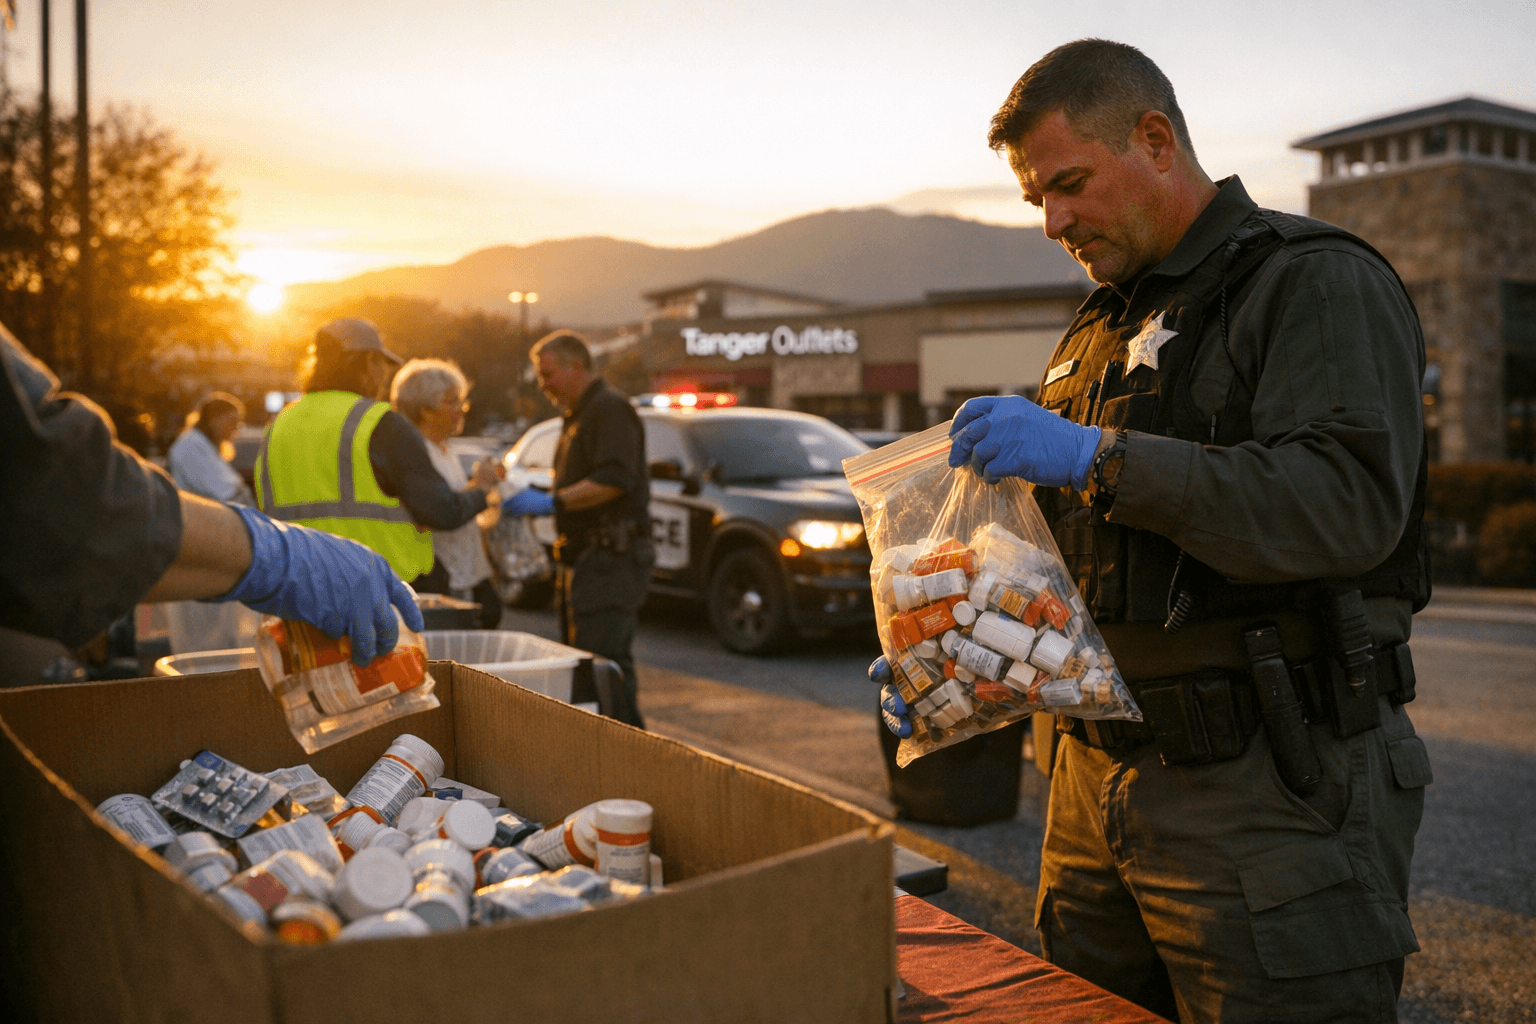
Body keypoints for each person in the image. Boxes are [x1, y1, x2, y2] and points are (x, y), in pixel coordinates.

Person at [873, 39, 1432, 1024]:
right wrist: (957, 644)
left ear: (1156, 141)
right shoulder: (1098, 328)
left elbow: (1345, 505)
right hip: (1090, 787)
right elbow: (1081, 563)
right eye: (1036, 198)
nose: (1053, 222)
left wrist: (1097, 457)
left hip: (1266, 792)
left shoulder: (1310, 281)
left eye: (1070, 185)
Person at [0, 321, 422, 671]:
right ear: (368, 364)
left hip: (213, 564)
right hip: (215, 560)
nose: (236, 429)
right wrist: (281, 556)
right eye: (231, 420)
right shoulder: (378, 420)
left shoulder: (284, 421)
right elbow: (63, 495)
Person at [253, 318, 499, 590]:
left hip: (301, 587)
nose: (383, 375)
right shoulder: (379, 423)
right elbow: (442, 512)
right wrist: (482, 489)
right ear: (369, 362)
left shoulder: (278, 426)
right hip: (382, 590)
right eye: (381, 364)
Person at [502, 331, 651, 727]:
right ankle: (609, 752)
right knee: (585, 666)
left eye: (548, 374)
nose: (542, 385)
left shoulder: (608, 409)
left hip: (610, 558)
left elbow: (614, 480)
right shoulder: (580, 414)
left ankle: (629, 753)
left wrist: (553, 502)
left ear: (577, 366)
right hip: (589, 559)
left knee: (604, 669)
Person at [391, 358, 502, 628]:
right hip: (440, 581)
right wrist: (481, 487)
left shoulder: (443, 450)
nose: (461, 410)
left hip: (463, 576)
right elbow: (441, 510)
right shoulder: (416, 454)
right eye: (452, 402)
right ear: (426, 411)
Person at [163, 391, 260, 652]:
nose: (236, 428)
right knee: (203, 633)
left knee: (213, 628)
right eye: (232, 420)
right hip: (197, 544)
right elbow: (227, 492)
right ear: (215, 419)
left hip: (205, 541)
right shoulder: (191, 446)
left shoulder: (201, 445)